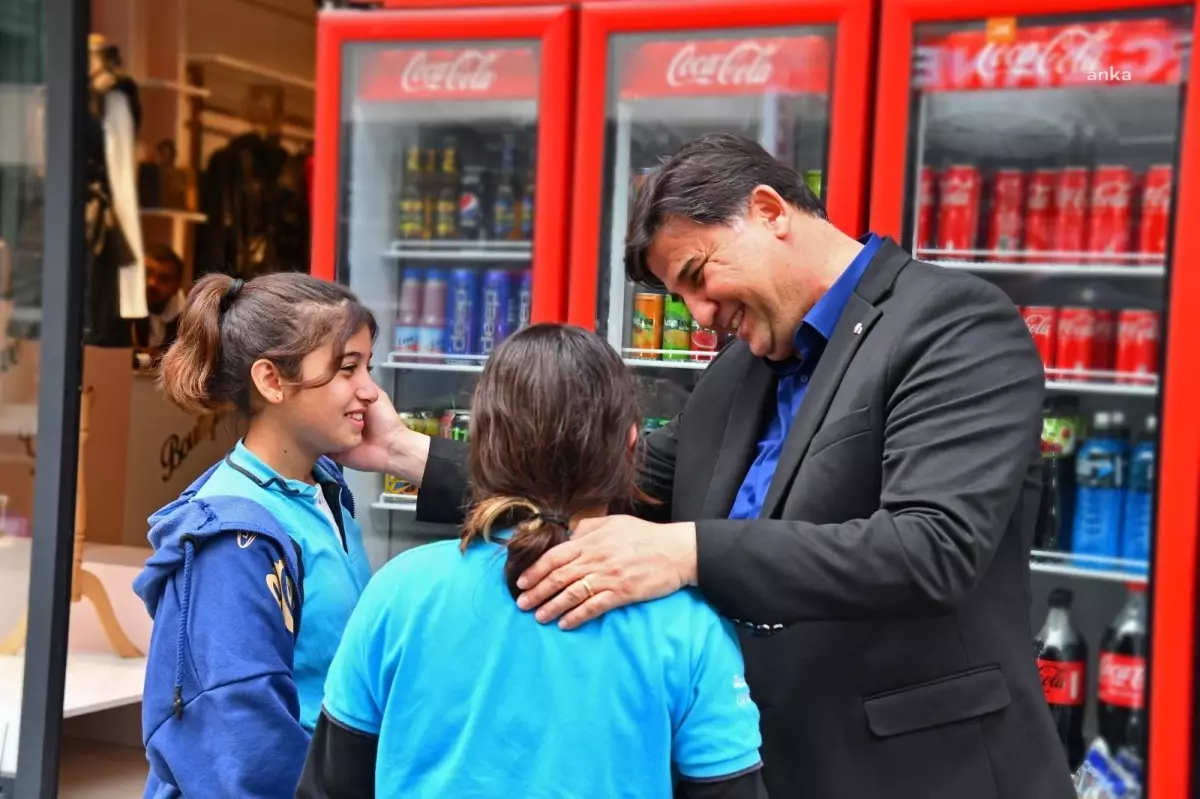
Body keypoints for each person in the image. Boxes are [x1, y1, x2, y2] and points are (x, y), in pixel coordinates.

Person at [346, 134, 1075, 798]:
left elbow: (932, 548)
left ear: (767, 211)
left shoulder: (953, 324)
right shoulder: (736, 374)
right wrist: (403, 452)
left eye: (697, 273)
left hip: (929, 773)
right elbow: (604, 480)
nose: (697, 313)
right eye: (679, 295)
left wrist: (686, 552)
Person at [300, 324, 766, 799]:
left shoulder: (399, 591)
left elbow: (329, 787)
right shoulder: (685, 625)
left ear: (480, 446)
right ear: (630, 446)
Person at [132, 272, 378, 798]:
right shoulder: (232, 536)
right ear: (271, 380)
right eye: (347, 369)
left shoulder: (322, 488)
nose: (370, 391)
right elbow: (243, 741)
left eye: (368, 367)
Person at [131, 242, 186, 367]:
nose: (152, 283)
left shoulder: (190, 320)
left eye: (164, 278)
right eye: (146, 274)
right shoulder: (121, 308)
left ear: (177, 287)